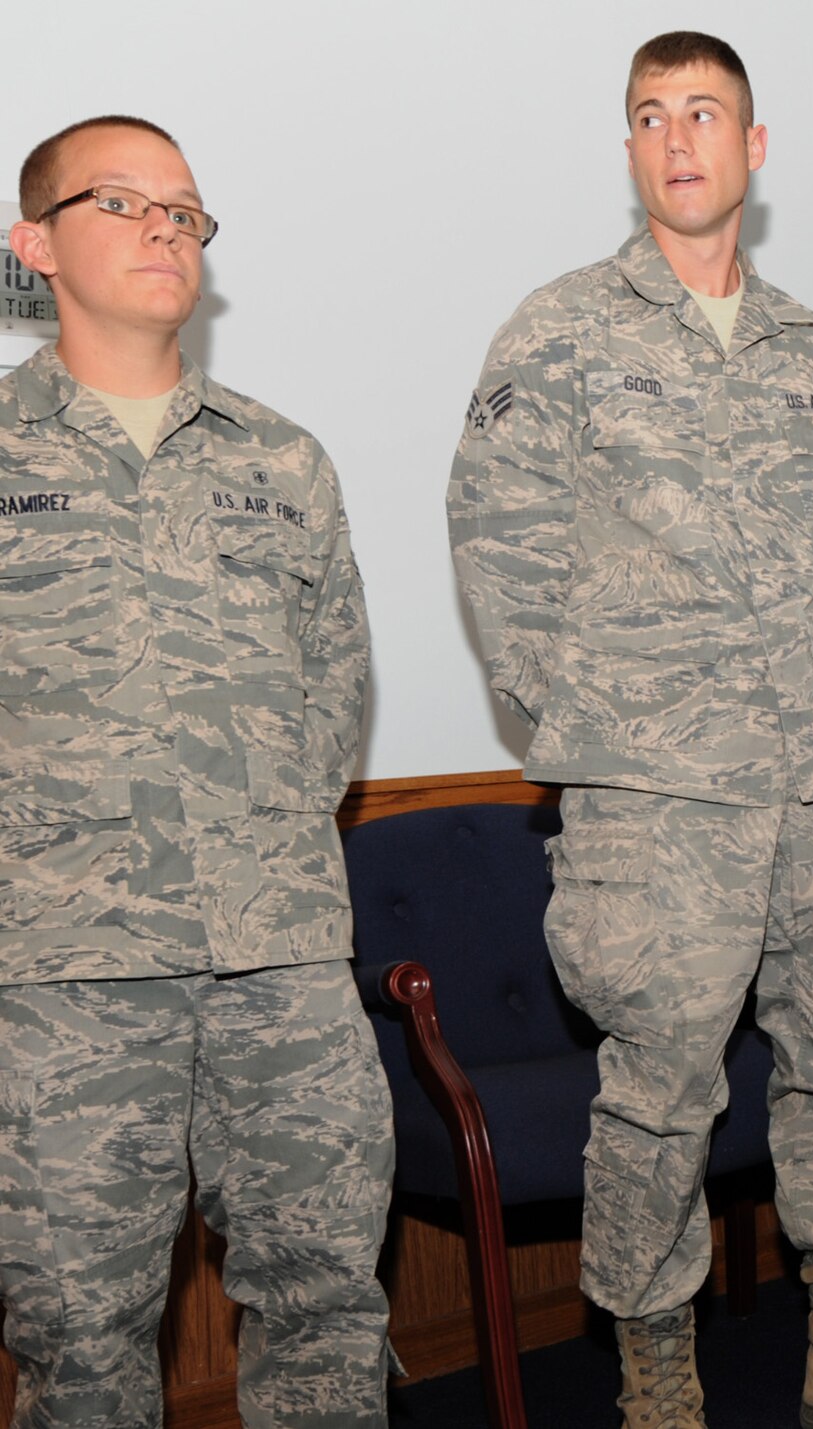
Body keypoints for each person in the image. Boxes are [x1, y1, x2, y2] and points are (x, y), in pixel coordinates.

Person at [446, 34, 813, 1429]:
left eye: (706, 114)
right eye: (649, 117)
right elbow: (500, 547)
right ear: (629, 153)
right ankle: (658, 1374)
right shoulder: (560, 328)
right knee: (663, 1088)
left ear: (756, 148)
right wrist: (594, 722)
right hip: (654, 794)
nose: (679, 138)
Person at [0, 117, 392, 1424]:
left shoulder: (285, 461)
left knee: (330, 1296)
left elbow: (335, 689)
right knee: (81, 1331)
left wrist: (264, 835)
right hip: (63, 971)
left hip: (281, 955)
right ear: (32, 242)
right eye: (122, 202)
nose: (167, 227)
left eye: (186, 210)